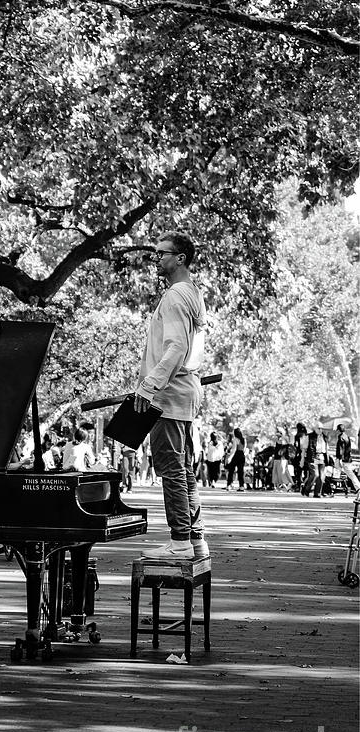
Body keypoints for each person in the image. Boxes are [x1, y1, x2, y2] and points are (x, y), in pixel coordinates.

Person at [134, 232, 208, 559]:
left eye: (162, 253)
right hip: (184, 393)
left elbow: (176, 347)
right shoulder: (193, 294)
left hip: (169, 395)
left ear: (180, 258)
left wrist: (149, 386)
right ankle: (195, 539)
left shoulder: (176, 295)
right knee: (184, 469)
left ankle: (179, 542)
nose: (157, 259)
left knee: (170, 468)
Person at [301, 423, 328, 498]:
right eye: (318, 428)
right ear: (315, 429)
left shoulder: (324, 437)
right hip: (313, 457)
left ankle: (317, 493)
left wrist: (328, 459)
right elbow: (304, 449)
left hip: (322, 457)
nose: (320, 430)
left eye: (321, 428)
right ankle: (306, 489)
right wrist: (302, 459)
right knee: (315, 474)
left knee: (321, 477)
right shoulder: (309, 437)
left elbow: (326, 449)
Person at [335, 424, 360, 498]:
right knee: (346, 472)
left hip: (343, 458)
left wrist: (340, 459)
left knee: (348, 472)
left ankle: (358, 486)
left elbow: (341, 449)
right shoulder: (347, 436)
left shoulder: (341, 437)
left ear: (339, 430)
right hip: (348, 457)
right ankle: (346, 479)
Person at [293, 423, 308, 492]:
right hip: (306, 455)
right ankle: (305, 485)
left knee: (298, 472)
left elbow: (296, 445)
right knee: (306, 472)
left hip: (299, 455)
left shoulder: (297, 436)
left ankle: (299, 486)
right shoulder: (307, 435)